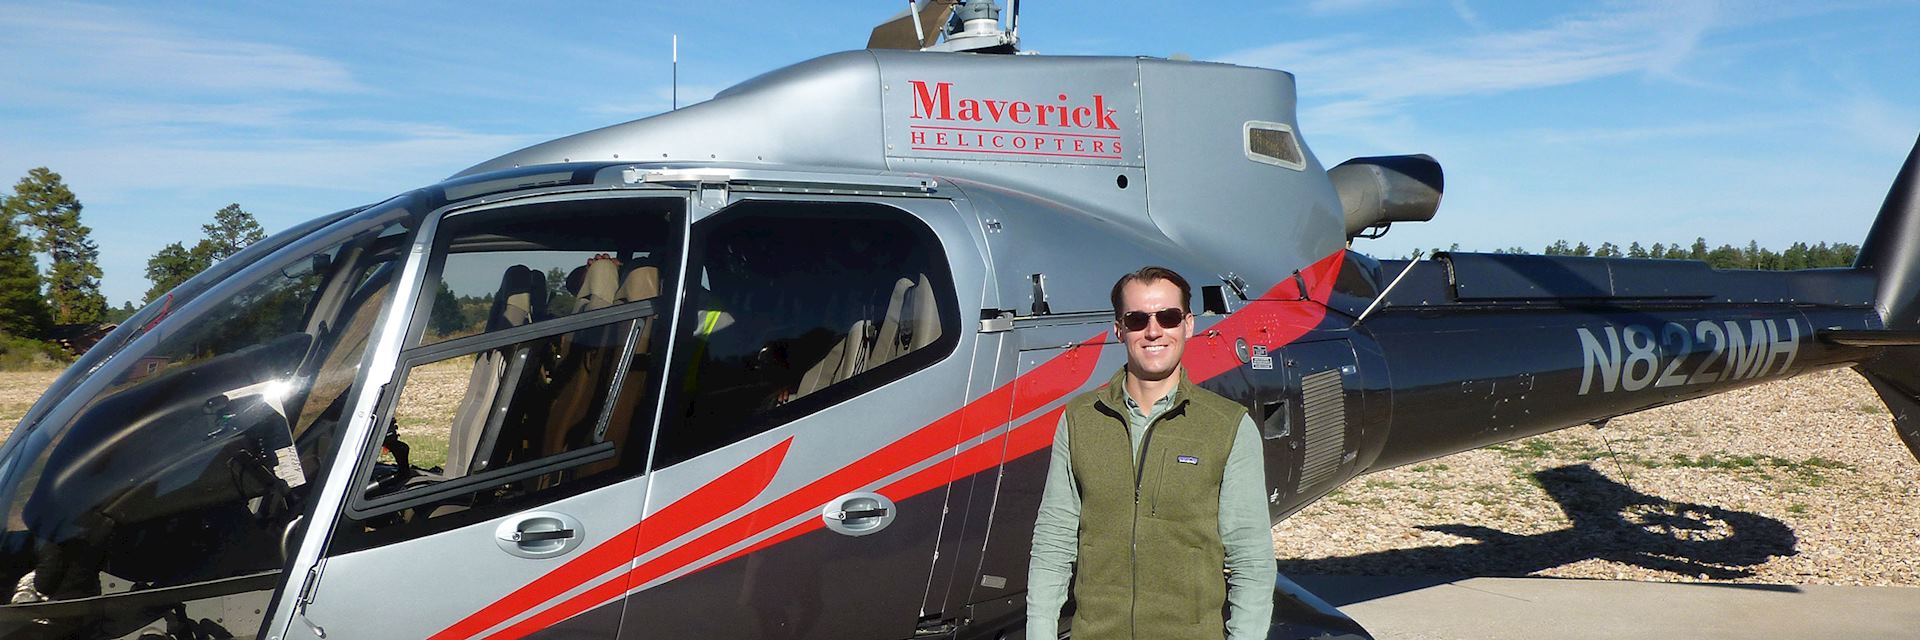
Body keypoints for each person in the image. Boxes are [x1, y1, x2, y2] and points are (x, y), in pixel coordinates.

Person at [1027, 266, 1275, 640]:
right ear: (1119, 329)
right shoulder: (1080, 420)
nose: (1154, 330)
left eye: (1169, 317)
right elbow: (1054, 540)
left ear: (1188, 325)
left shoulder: (1227, 427)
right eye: (1138, 319)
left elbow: (1250, 559)